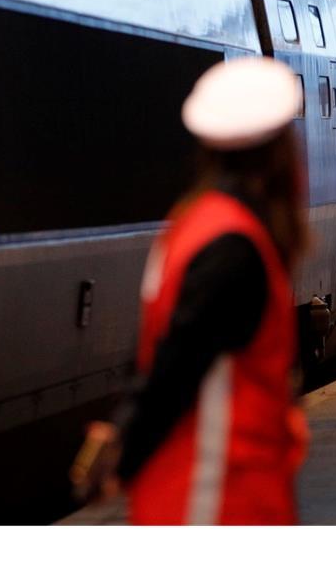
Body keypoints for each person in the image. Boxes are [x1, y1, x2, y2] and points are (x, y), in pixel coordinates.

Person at [70, 57, 310, 524]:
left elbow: (162, 353)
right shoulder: (234, 245)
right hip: (219, 493)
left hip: (190, 488)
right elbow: (176, 365)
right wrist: (128, 449)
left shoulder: (194, 222)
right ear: (280, 149)